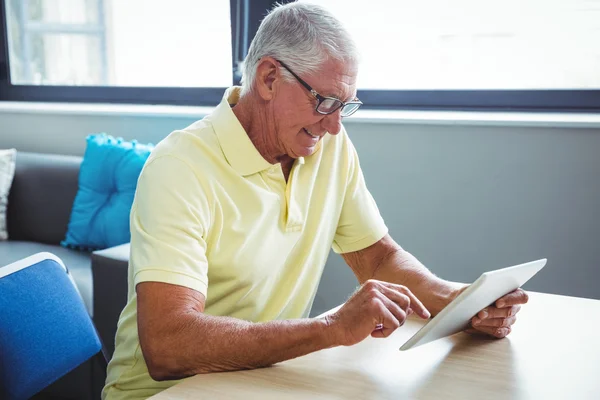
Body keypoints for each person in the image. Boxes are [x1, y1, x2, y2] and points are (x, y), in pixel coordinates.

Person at [102, 2, 528, 399]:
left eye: (346, 105)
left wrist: (461, 303)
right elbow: (168, 346)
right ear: (269, 78)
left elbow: (377, 259)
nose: (335, 126)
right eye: (325, 101)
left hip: (262, 378)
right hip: (166, 393)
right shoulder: (179, 168)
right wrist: (331, 328)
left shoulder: (327, 149)